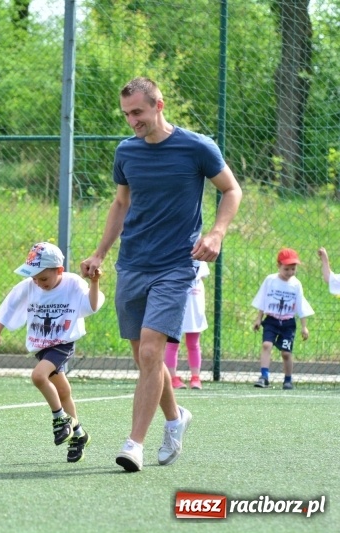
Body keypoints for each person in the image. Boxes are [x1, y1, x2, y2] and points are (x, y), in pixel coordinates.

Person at [80, 77, 242, 473]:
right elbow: (121, 203)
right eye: (126, 114)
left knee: (152, 351)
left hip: (176, 265)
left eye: (138, 112)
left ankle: (133, 443)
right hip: (133, 263)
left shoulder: (197, 147)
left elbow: (231, 190)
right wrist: (100, 252)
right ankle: (175, 418)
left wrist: (216, 233)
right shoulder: (126, 152)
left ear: (158, 105)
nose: (132, 120)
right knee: (144, 357)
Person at [0, 242, 104, 463]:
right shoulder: (30, 286)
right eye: (34, 278)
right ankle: (79, 434)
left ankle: (60, 419)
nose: (38, 283)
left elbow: (92, 305)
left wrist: (94, 282)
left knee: (39, 376)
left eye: (44, 279)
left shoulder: (73, 283)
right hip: (41, 346)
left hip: (62, 343)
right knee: (63, 391)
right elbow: (10, 305)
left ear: (59, 270)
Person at [252, 248, 313, 390]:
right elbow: (263, 300)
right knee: (267, 345)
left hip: (288, 323)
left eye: (293, 269)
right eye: (286, 269)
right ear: (278, 266)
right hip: (271, 320)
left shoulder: (296, 284)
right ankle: (264, 377)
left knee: (286, 353)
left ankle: (287, 379)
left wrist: (304, 326)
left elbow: (300, 305)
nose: (290, 272)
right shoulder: (270, 280)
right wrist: (258, 318)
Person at [165, 261, 210, 390]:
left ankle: (195, 378)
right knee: (172, 343)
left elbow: (200, 280)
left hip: (194, 308)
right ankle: (172, 377)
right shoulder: (174, 255)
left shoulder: (201, 260)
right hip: (176, 305)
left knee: (193, 343)